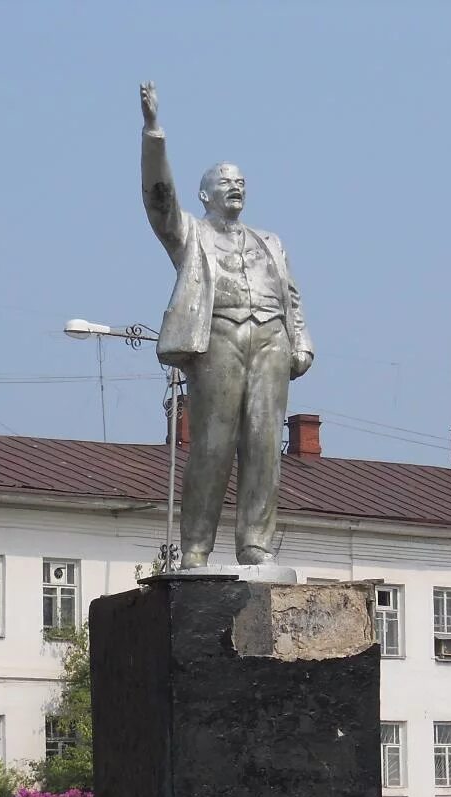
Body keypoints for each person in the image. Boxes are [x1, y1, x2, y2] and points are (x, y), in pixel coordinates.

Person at [139, 82, 314, 568]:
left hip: (270, 340)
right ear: (204, 194)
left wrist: (301, 340)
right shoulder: (189, 233)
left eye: (240, 181)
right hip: (217, 336)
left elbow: (291, 295)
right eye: (225, 180)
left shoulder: (270, 241)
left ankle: (255, 542)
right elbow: (159, 199)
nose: (236, 186)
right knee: (213, 444)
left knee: (263, 443)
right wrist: (154, 134)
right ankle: (195, 548)